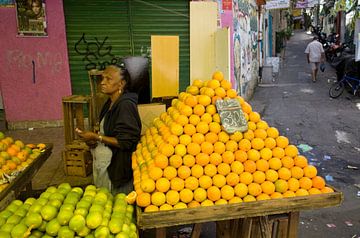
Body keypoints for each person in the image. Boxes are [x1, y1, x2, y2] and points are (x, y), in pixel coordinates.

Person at [76, 64, 141, 194]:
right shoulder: (110, 102)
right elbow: (109, 131)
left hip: (116, 168)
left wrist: (97, 137)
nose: (103, 82)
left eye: (108, 79)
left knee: (115, 204)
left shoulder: (125, 106)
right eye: (102, 78)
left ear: (121, 84)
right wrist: (93, 139)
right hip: (104, 164)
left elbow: (126, 141)